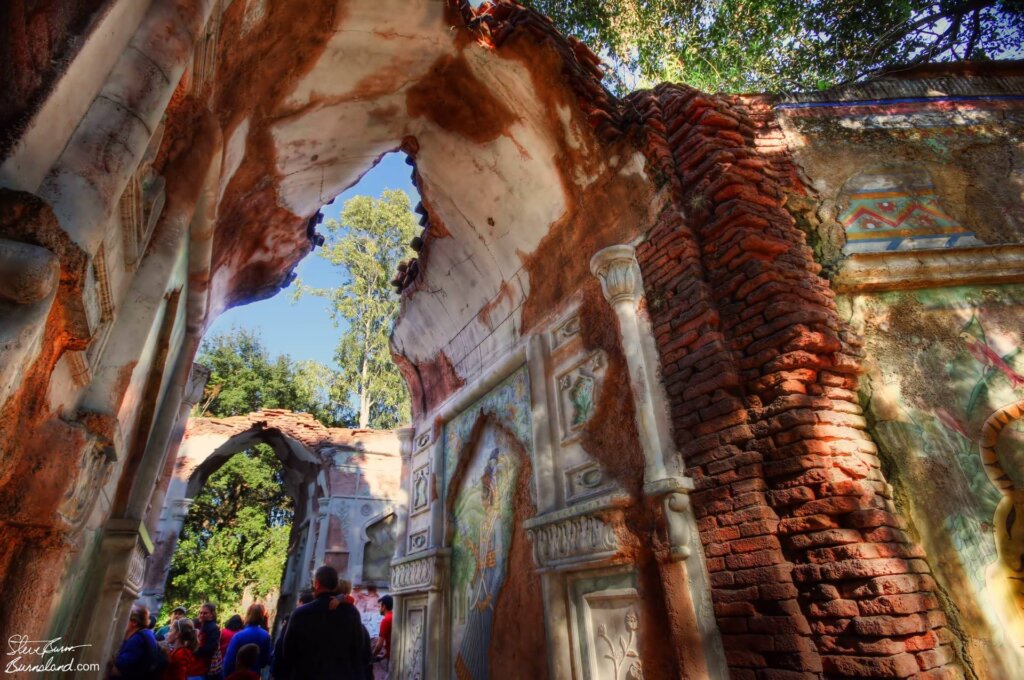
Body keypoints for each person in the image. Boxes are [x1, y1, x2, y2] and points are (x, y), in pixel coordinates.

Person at [283, 565, 372, 679]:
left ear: (317, 584)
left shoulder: (300, 613)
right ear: (335, 586)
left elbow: (288, 652)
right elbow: (359, 650)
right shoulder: (352, 613)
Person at [109, 604, 161, 679]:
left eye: (123, 618)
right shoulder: (145, 634)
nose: (118, 621)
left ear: (134, 622)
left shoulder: (138, 639)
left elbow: (118, 667)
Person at [271, 590, 313, 680]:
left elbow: (282, 645)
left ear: (301, 602)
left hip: (285, 670)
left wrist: (274, 670)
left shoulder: (294, 619)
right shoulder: (314, 623)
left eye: (298, 602)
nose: (297, 604)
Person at [223, 603, 271, 676]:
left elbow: (229, 661)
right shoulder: (266, 636)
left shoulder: (239, 635)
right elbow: (265, 661)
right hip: (254, 675)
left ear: (248, 615)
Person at [186, 602, 221, 679]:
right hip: (198, 664)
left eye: (205, 613)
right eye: (200, 613)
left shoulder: (213, 628)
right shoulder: (202, 624)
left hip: (205, 665)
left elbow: (209, 648)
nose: (202, 615)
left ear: (212, 614)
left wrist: (194, 651)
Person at [372, 595, 393, 678]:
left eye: (380, 606)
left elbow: (379, 645)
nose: (379, 609)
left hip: (391, 658)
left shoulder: (385, 621)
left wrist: (372, 657)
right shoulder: (394, 616)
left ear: (384, 606)